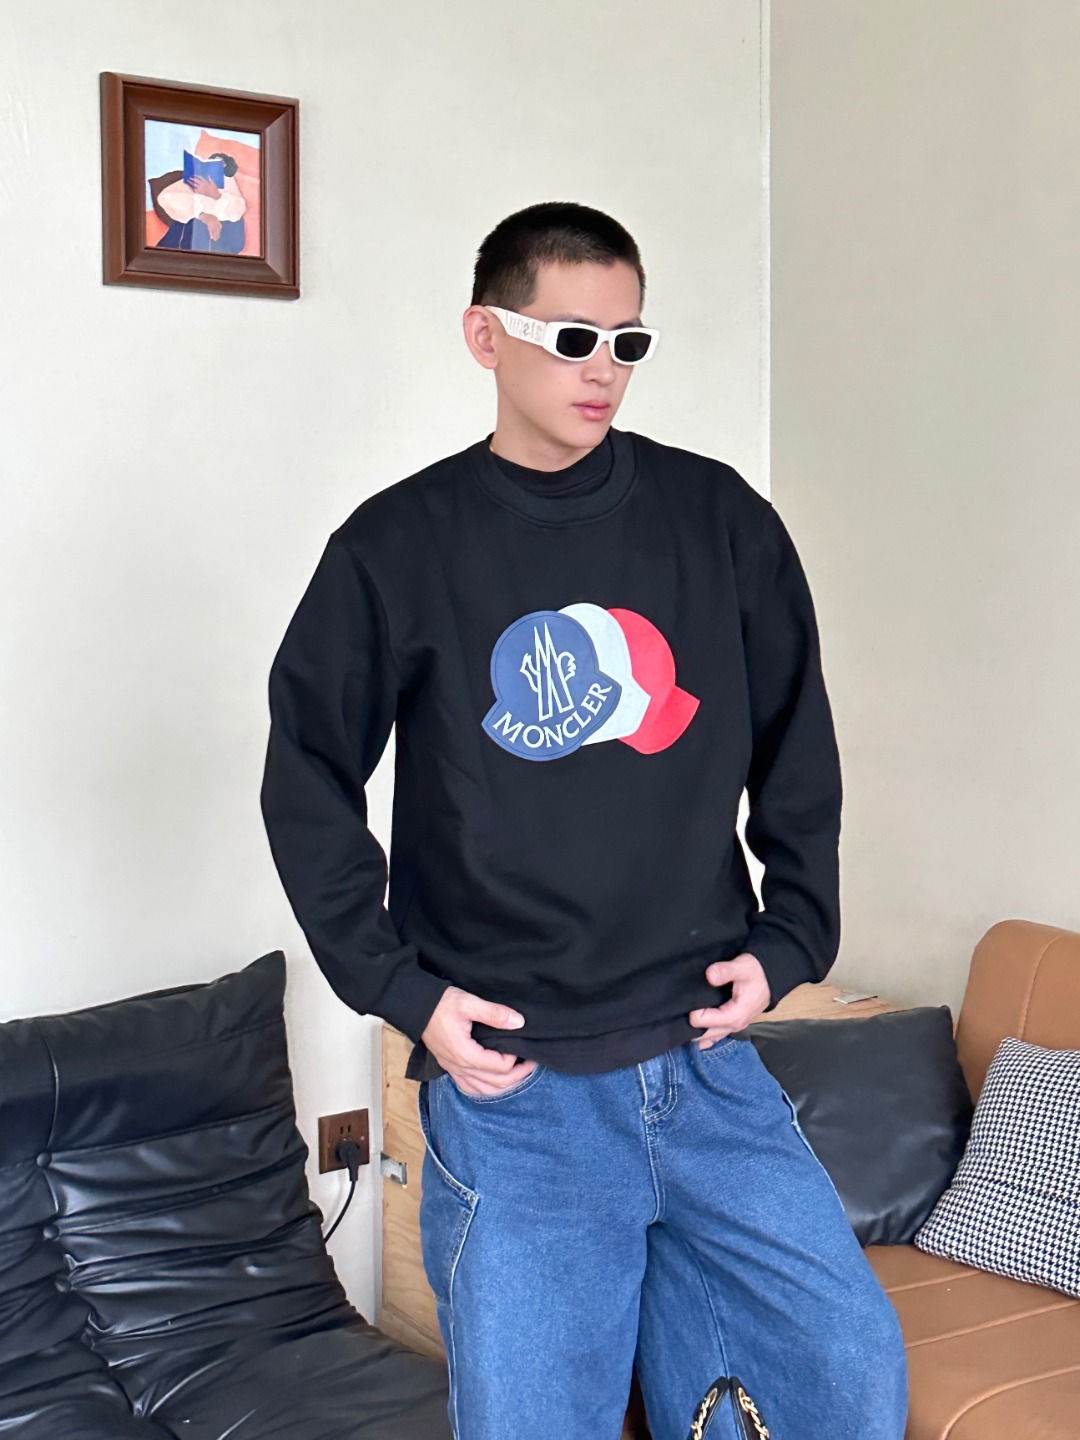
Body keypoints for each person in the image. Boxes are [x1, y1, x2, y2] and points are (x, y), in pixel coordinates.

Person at [259, 201, 909, 1439]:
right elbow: (306, 776)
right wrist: (401, 991)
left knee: (842, 1376)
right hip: (520, 1091)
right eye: (571, 337)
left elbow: (797, 743)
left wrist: (792, 939)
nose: (602, 368)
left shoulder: (720, 521)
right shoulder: (397, 545)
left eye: (628, 341)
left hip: (707, 1065)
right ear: (485, 336)